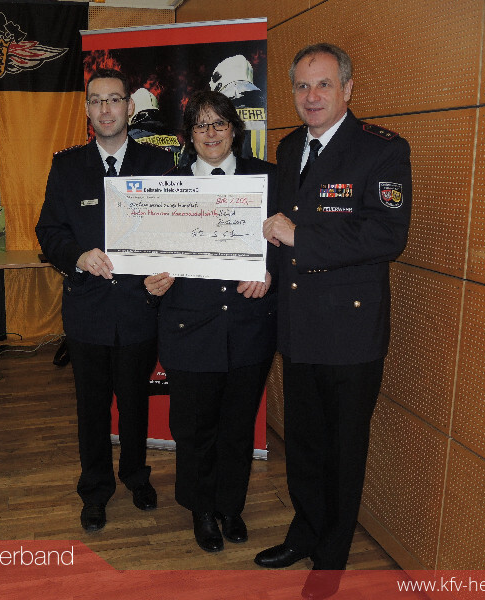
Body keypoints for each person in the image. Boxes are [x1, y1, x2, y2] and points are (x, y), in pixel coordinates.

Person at [256, 43, 412, 591]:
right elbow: (276, 228)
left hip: (350, 331)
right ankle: (305, 531)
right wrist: (263, 266)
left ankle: (331, 559)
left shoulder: (381, 150)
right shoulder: (289, 146)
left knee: (343, 452)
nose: (312, 95)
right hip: (298, 324)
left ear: (347, 88)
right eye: (302, 86)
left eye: (323, 84)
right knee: (302, 444)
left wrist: (301, 238)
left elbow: (386, 235)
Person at [35, 68, 175, 533]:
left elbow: (174, 232)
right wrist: (77, 256)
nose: (106, 109)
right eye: (96, 101)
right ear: (88, 110)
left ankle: (136, 476)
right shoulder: (67, 167)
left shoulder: (160, 165)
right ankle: (95, 490)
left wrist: (167, 272)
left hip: (140, 308)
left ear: (129, 107)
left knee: (135, 404)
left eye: (114, 99)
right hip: (88, 312)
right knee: (91, 409)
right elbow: (48, 231)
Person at [144, 90, 277, 553]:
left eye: (219, 123)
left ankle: (230, 505)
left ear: (234, 129)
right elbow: (147, 252)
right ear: (188, 136)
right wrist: (150, 280)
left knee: (238, 427)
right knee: (195, 428)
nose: (211, 133)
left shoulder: (269, 179)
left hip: (248, 326)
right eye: (201, 125)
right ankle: (201, 509)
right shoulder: (168, 186)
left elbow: (292, 247)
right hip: (189, 328)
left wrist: (271, 273)